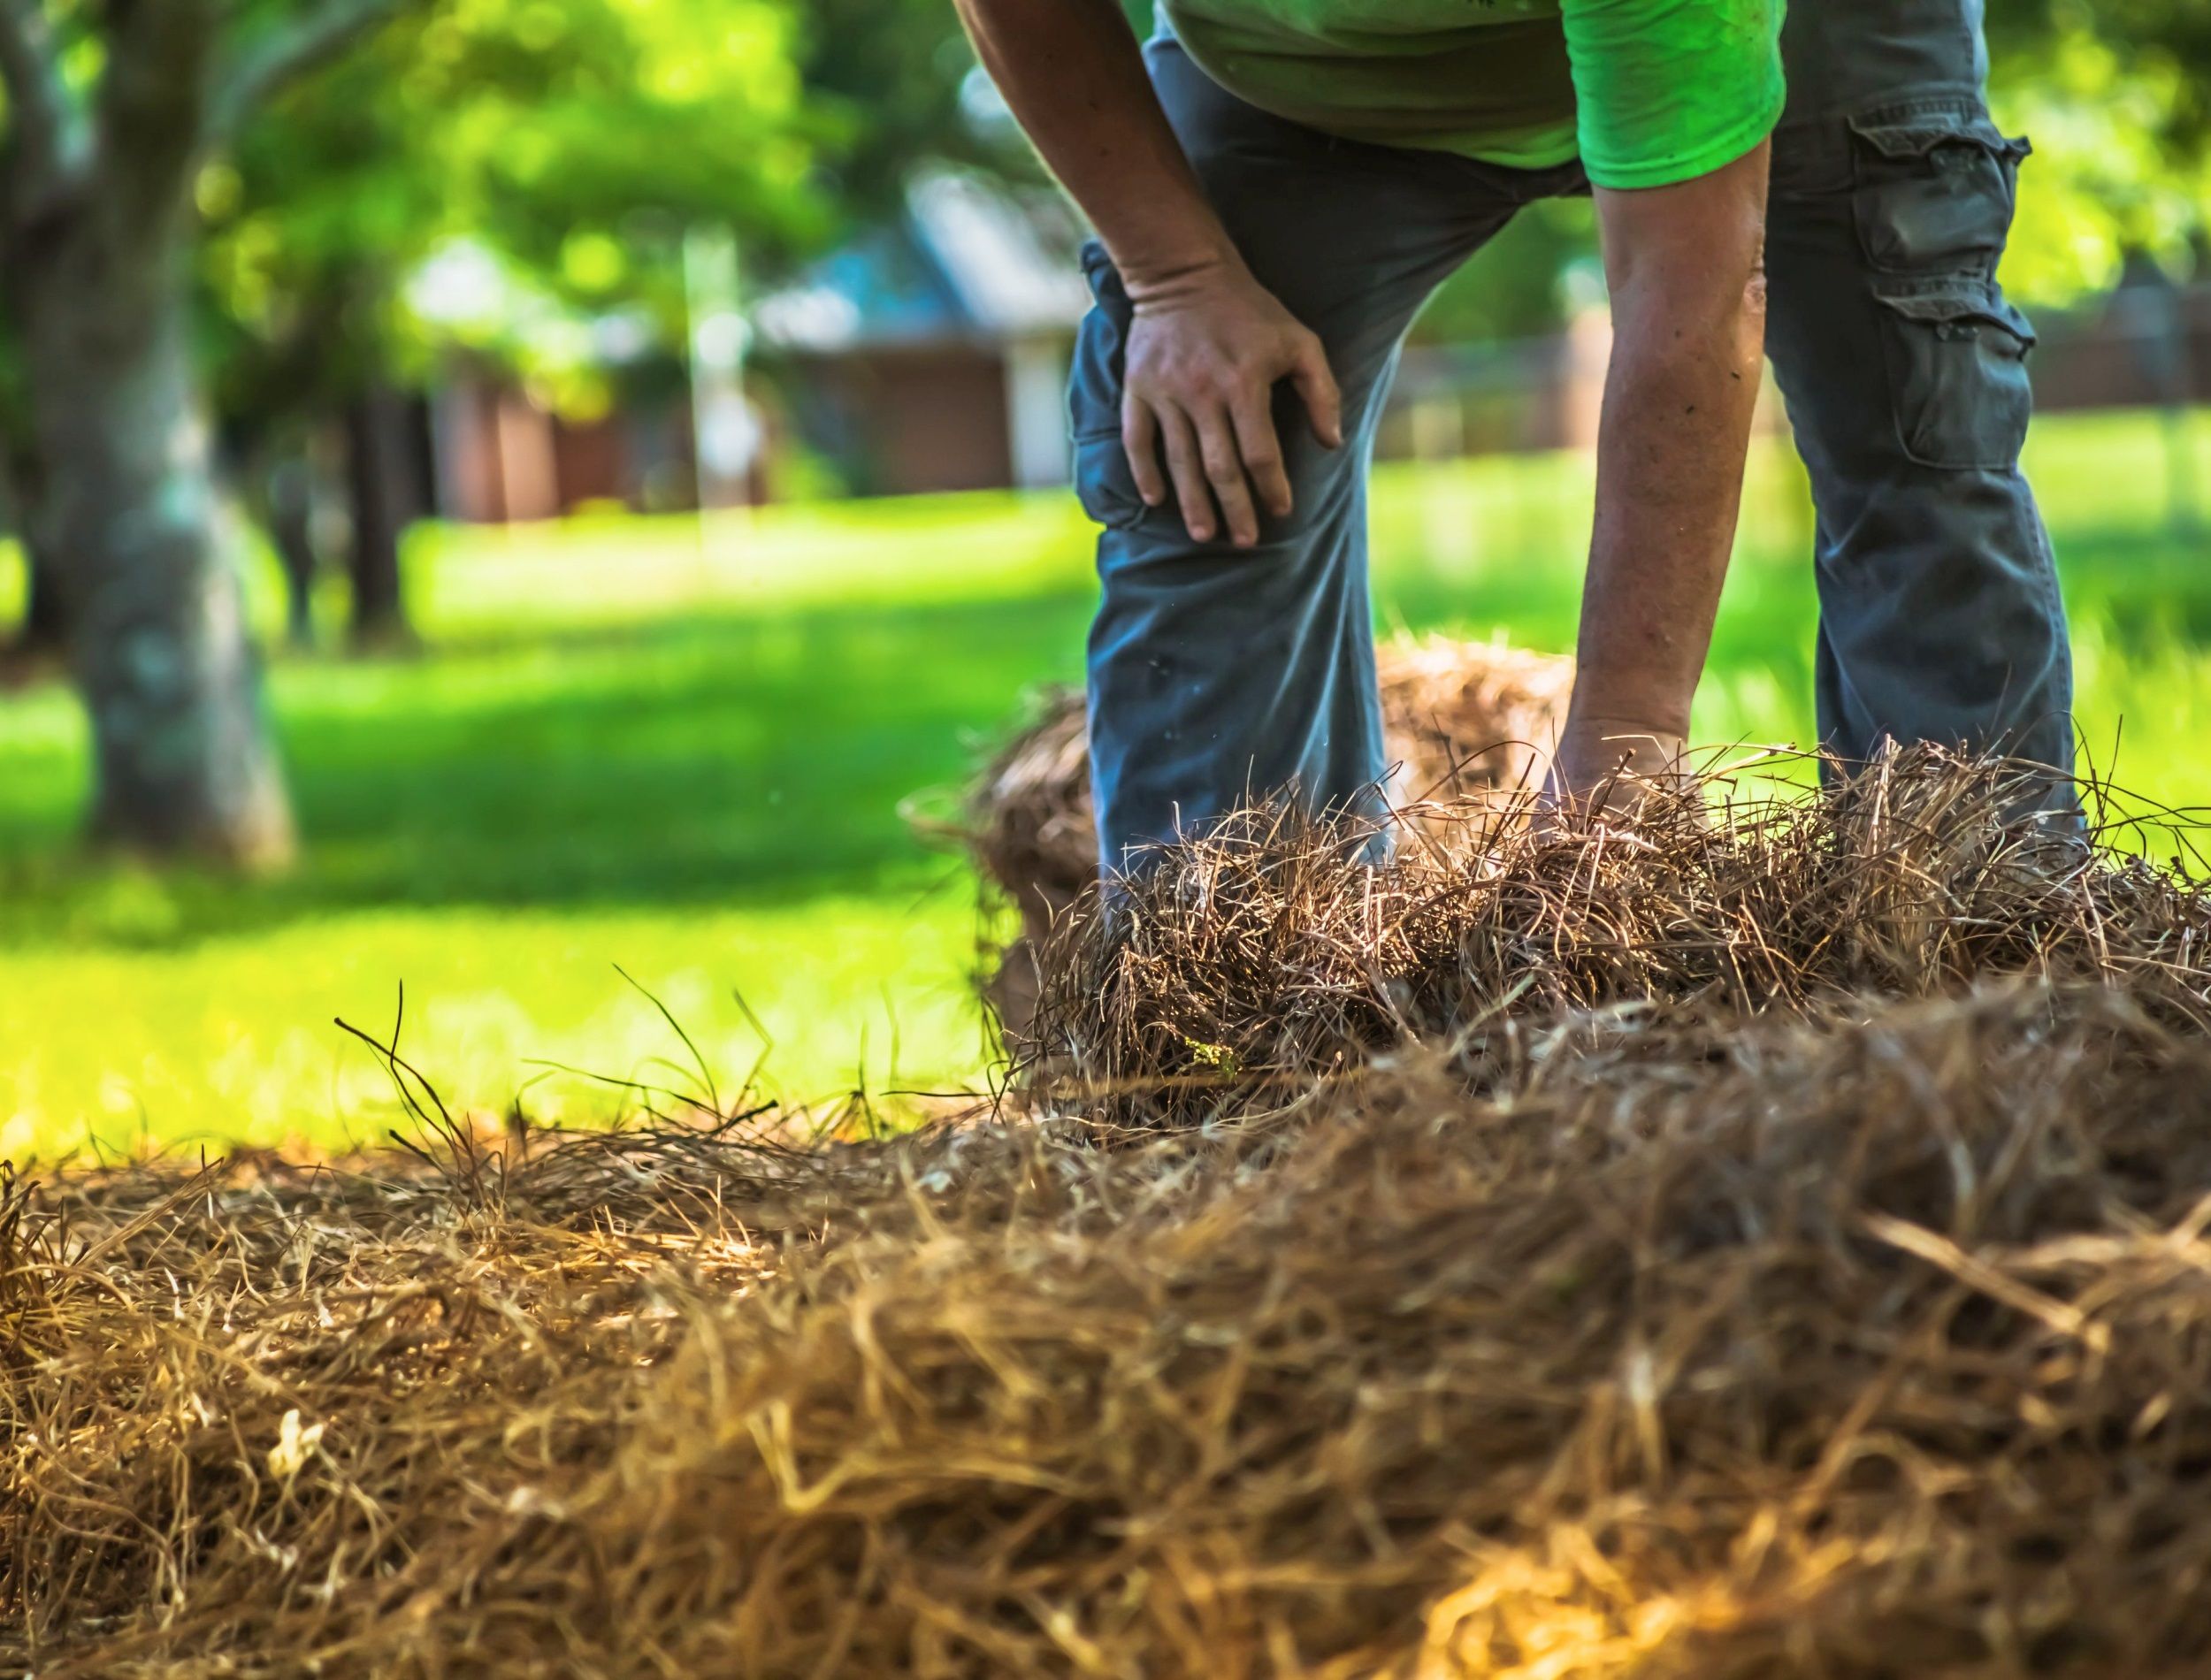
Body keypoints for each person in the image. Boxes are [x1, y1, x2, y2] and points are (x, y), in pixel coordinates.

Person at [954, 0, 2074, 875]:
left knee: (1911, 418)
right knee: (1205, 451)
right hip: (1294, 81)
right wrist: (1180, 278)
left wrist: (1626, 741)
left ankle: (1991, 963)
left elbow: (1690, 298)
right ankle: (1224, 1071)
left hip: (1807, 38)